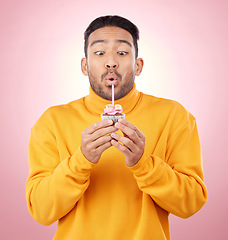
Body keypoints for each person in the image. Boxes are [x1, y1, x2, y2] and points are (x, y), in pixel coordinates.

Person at [26, 15, 208, 240]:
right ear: (84, 66)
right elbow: (41, 211)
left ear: (138, 65)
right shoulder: (52, 121)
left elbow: (190, 203)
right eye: (99, 53)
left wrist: (144, 164)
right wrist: (80, 161)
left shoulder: (174, 116)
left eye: (122, 53)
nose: (110, 62)